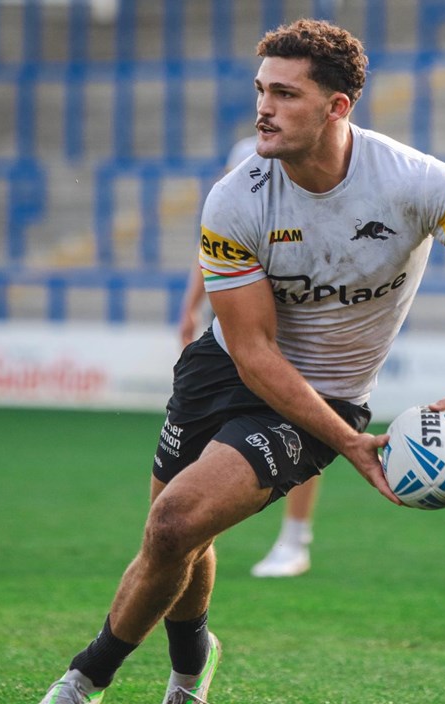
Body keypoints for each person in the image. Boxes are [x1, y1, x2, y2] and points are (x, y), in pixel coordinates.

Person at [15, 19, 445, 704]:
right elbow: (253, 351)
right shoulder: (234, 200)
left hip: (323, 398)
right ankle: (191, 667)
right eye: (260, 90)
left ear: (337, 107)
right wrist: (353, 449)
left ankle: (85, 678)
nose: (263, 109)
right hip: (224, 368)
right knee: (176, 536)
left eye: (285, 94)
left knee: (174, 524)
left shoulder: (416, 182)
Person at [179, 137, 318, 578]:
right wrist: (190, 306)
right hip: (238, 315)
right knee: (214, 423)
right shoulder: (243, 159)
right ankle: (193, 531)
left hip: (296, 322)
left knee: (306, 421)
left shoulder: (316, 165)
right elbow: (214, 240)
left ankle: (295, 540)